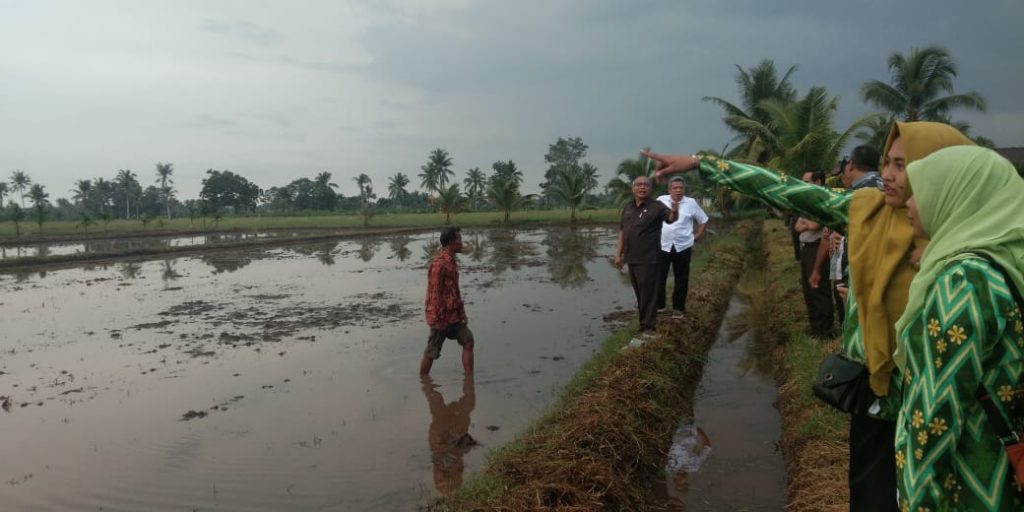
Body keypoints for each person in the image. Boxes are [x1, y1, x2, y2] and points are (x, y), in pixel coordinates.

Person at [642, 121, 974, 512]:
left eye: (901, 165)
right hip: (877, 391)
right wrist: (703, 165)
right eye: (887, 162)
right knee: (871, 492)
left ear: (937, 170)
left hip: (937, 403)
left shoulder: (967, 251)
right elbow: (788, 190)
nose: (885, 175)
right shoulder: (867, 211)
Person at [894, 146, 1024, 511]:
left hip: (969, 485)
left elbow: (933, 416)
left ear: (954, 195)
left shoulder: (963, 281)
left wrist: (918, 501)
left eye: (921, 189)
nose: (909, 202)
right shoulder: (1009, 260)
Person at [615, 175, 679, 342]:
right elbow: (623, 232)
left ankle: (648, 328)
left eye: (646, 185)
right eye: (639, 184)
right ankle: (644, 325)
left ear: (650, 189)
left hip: (650, 258)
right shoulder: (628, 208)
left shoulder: (657, 207)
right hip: (632, 258)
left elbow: (671, 218)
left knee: (648, 295)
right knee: (640, 294)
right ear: (633, 188)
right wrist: (618, 254)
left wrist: (674, 210)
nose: (642, 187)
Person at [420, 226, 474, 376]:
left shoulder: (451, 262)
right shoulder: (439, 264)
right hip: (441, 318)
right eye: (459, 239)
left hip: (454, 316)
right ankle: (423, 381)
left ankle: (469, 381)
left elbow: (454, 291)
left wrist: (462, 313)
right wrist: (437, 320)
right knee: (431, 352)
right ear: (451, 242)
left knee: (468, 340)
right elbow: (434, 293)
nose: (461, 243)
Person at [656, 176, 708, 319]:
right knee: (659, 277)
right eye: (675, 188)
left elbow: (703, 220)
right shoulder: (661, 201)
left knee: (682, 278)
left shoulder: (691, 203)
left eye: (681, 188)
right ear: (669, 190)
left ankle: (678, 308)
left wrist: (696, 236)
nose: (678, 190)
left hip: (683, 246)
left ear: (684, 189)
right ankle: (660, 306)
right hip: (663, 246)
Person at [794, 170, 835, 338]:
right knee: (808, 290)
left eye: (807, 181)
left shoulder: (820, 200)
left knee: (819, 288)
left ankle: (825, 331)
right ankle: (815, 328)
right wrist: (806, 223)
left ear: (818, 182)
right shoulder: (807, 202)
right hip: (806, 248)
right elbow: (797, 227)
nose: (803, 184)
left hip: (817, 248)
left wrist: (807, 223)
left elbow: (815, 225)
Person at [422, 375, 477, 496]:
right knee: (468, 399)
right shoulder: (446, 482)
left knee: (435, 397)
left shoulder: (444, 482)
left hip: (444, 438)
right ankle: (425, 380)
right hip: (446, 438)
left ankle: (424, 379)